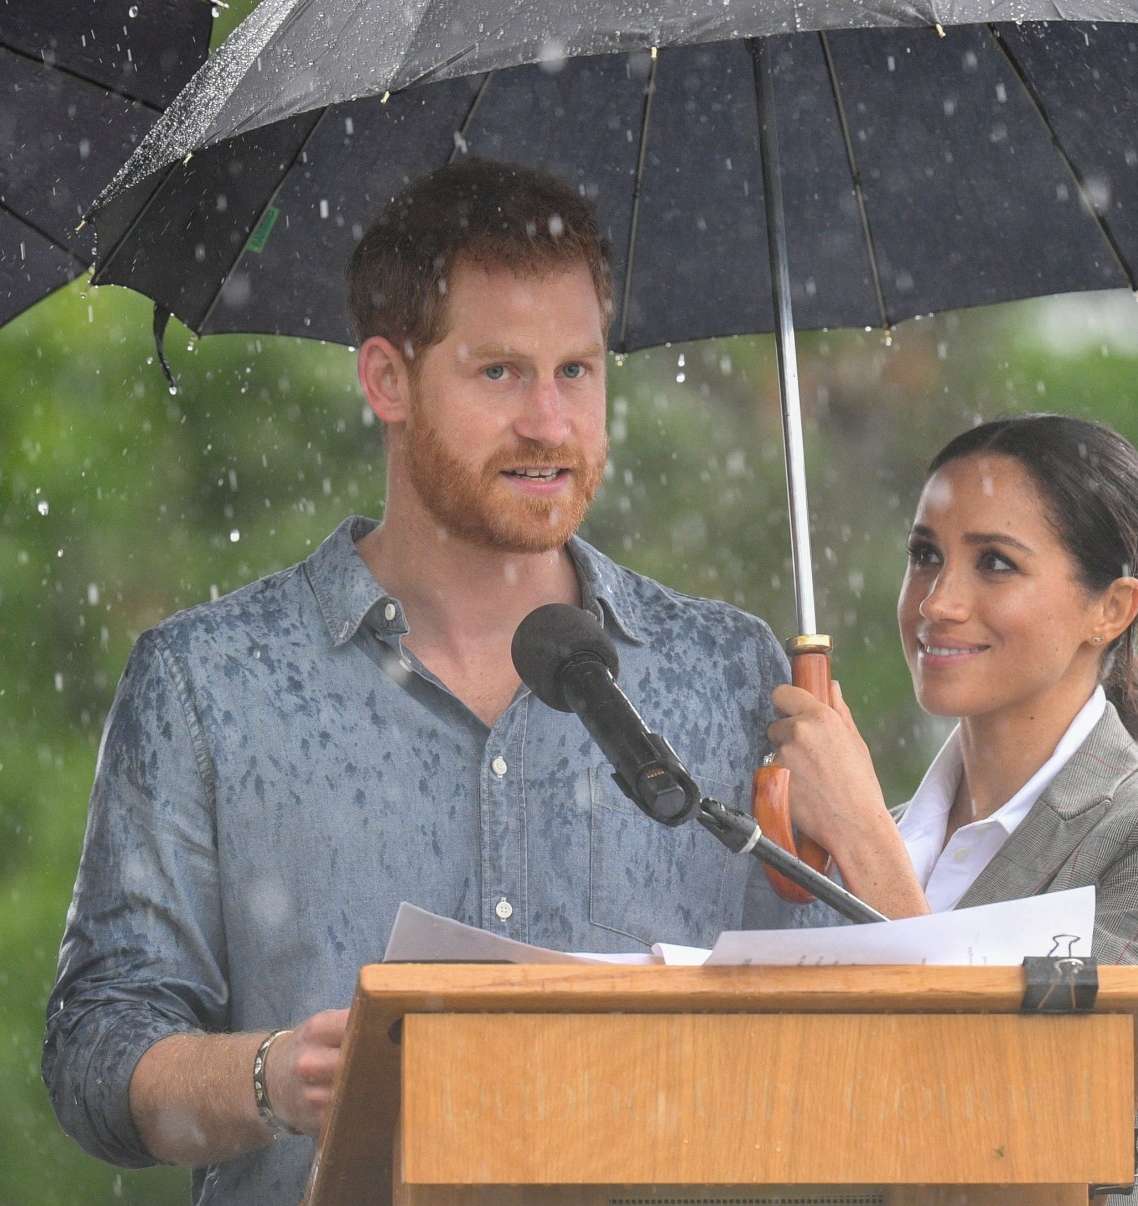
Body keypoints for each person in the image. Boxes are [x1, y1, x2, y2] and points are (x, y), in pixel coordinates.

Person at [42, 159, 793, 1204]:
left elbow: (838, 1043)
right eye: (501, 373)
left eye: (577, 371)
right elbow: (95, 1053)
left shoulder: (730, 672)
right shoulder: (207, 683)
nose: (550, 422)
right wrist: (272, 1079)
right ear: (386, 381)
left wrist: (862, 841)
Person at [768, 414, 1138, 1203]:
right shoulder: (853, 844)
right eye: (925, 556)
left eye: (995, 563)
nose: (938, 602)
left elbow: (1026, 1103)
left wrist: (862, 841)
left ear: (1111, 608)